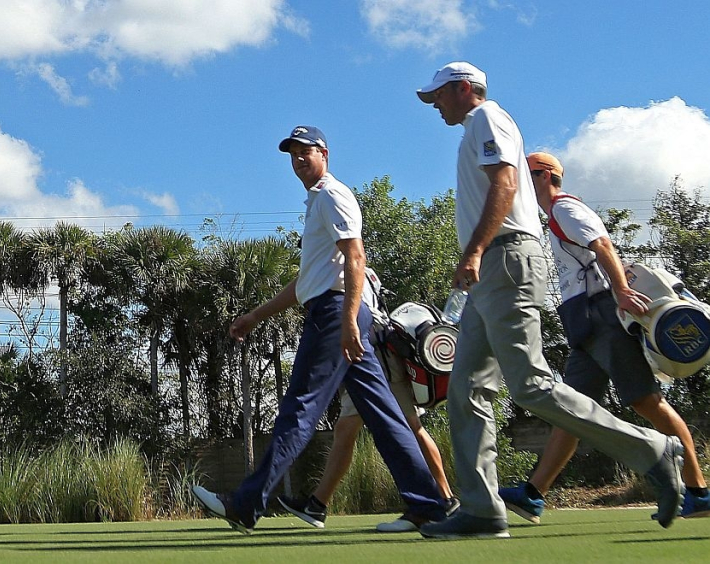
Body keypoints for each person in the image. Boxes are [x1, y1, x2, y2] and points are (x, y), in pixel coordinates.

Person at [414, 62, 684, 539]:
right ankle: (482, 509)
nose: (434, 105)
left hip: (505, 260)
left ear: (462, 89)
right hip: (488, 272)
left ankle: (652, 450)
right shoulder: (474, 128)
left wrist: (475, 251)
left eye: (438, 95)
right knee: (465, 391)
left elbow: (506, 185)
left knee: (531, 385)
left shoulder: (486, 118)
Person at [191, 125, 449, 533]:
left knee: (301, 407)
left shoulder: (331, 195)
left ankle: (245, 504)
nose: (298, 160)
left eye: (304, 152)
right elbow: (307, 282)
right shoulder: (317, 203)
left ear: (323, 153)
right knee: (384, 414)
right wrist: (256, 315)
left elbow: (356, 256)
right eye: (292, 154)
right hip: (333, 308)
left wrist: (347, 321)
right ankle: (430, 505)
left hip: (336, 314)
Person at [498, 152, 710, 522]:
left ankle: (699, 491)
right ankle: (533, 495)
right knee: (572, 411)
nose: (518, 185)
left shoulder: (566, 209)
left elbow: (603, 245)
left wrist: (622, 292)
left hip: (602, 317)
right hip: (585, 321)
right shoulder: (555, 216)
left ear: (544, 176)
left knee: (647, 402)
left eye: (524, 175)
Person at [278, 331, 460, 532]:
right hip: (368, 355)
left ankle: (446, 499)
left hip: (375, 357)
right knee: (348, 429)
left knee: (410, 427)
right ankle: (317, 504)